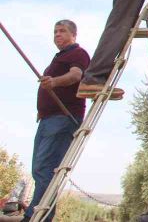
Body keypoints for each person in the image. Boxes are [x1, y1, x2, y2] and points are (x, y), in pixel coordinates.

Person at [22, 20, 90, 222]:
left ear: (73, 35)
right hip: (48, 119)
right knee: (38, 168)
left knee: (45, 167)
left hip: (63, 117)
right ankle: (40, 213)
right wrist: (42, 110)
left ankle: (37, 215)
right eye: (55, 32)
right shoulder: (58, 57)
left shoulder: (78, 53)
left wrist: (54, 81)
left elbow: (76, 75)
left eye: (62, 31)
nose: (57, 35)